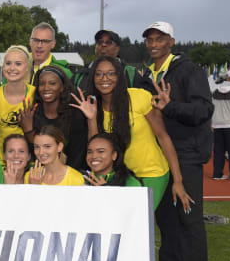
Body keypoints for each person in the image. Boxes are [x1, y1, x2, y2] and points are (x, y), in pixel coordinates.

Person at [141, 21, 214, 261]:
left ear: (171, 41)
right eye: (150, 39)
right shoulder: (147, 74)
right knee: (166, 219)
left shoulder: (189, 70)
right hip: (158, 155)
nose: (154, 43)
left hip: (187, 154)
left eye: (160, 38)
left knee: (189, 220)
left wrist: (170, 106)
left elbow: (203, 110)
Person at [72, 55, 191, 213]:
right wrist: (92, 118)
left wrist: (178, 180)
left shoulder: (139, 96)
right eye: (99, 74)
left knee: (137, 221)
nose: (104, 78)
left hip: (152, 173)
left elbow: (163, 137)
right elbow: (96, 146)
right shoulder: (94, 106)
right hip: (122, 176)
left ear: (119, 76)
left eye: (111, 73)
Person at [19, 65, 88, 170]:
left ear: (62, 87)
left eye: (52, 83)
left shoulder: (75, 115)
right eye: (42, 84)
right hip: (40, 173)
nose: (46, 88)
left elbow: (78, 153)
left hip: (72, 174)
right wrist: (28, 130)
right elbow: (36, 152)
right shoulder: (32, 114)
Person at [0, 45, 35, 161]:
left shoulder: (35, 94)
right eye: (8, 63)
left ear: (27, 68)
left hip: (29, 161)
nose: (12, 68)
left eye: (18, 64)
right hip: (2, 160)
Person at [72, 29, 144, 92]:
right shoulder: (80, 75)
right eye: (99, 42)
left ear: (117, 49)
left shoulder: (131, 74)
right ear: (95, 48)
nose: (103, 45)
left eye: (109, 42)